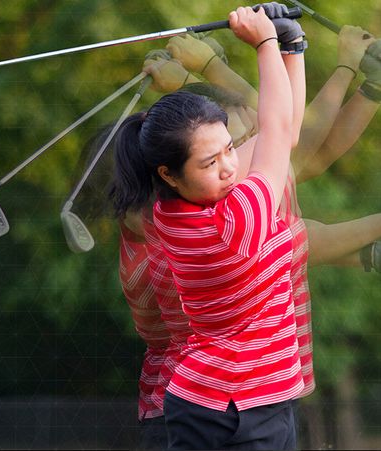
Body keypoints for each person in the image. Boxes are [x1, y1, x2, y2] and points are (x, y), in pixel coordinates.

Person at [109, 5, 306, 449]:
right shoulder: (236, 221)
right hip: (251, 408)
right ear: (168, 173)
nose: (228, 168)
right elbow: (276, 127)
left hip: (201, 402)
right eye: (210, 161)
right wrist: (265, 43)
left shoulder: (169, 212)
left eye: (230, 148)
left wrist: (290, 49)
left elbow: (284, 132)